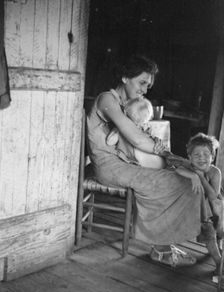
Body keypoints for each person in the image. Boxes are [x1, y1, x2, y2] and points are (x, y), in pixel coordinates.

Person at [86, 54, 209, 267]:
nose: (145, 89)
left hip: (126, 163)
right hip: (110, 168)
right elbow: (135, 137)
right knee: (172, 180)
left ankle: (185, 234)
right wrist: (166, 154)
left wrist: (173, 159)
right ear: (125, 77)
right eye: (142, 82)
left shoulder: (129, 103)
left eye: (148, 85)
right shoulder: (107, 99)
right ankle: (160, 248)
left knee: (187, 171)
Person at [175, 132, 223, 275]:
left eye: (206, 154)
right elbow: (178, 168)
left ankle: (218, 246)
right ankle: (219, 262)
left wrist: (201, 178)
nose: (201, 158)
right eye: (196, 155)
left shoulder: (215, 172)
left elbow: (213, 196)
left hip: (215, 206)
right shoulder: (190, 166)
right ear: (190, 157)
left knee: (219, 231)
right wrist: (193, 175)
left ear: (212, 157)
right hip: (200, 209)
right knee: (208, 232)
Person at [106, 96, 189, 170]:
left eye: (143, 123)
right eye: (141, 123)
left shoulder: (144, 129)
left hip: (147, 157)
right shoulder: (123, 129)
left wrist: (157, 142)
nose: (141, 126)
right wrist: (118, 128)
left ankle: (179, 165)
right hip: (135, 161)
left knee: (167, 158)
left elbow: (151, 139)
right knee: (168, 162)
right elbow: (110, 141)